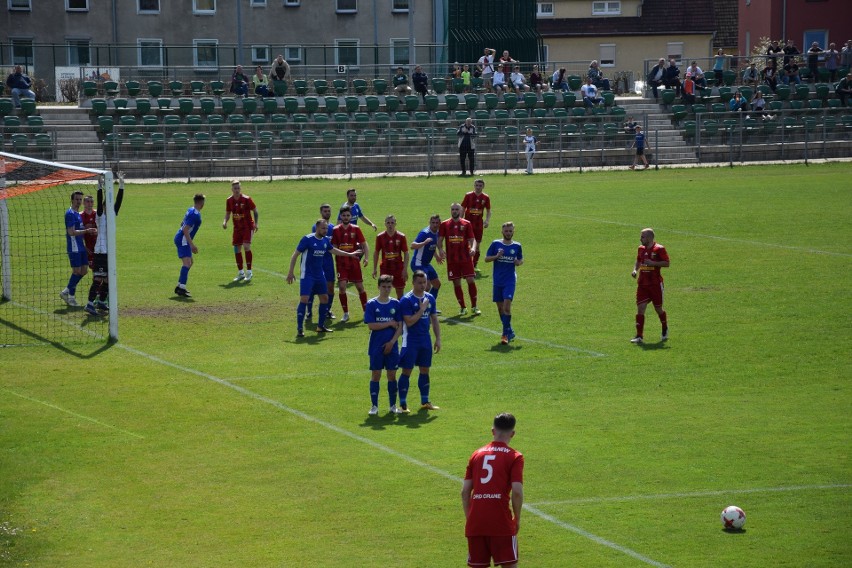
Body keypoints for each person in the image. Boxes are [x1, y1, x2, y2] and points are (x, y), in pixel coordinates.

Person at [462, 412, 524, 568]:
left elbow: (464, 492)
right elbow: (517, 491)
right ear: (513, 434)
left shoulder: (476, 455)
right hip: (501, 522)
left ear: (492, 431)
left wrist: (470, 517)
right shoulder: (514, 456)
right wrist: (517, 518)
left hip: (476, 523)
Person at [286, 219, 363, 337]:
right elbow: (295, 255)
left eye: (326, 228)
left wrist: (350, 254)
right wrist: (290, 272)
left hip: (319, 275)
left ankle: (320, 326)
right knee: (304, 299)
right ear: (317, 228)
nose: (325, 230)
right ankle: (300, 328)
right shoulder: (307, 239)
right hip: (307, 275)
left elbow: (334, 251)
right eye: (323, 228)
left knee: (325, 299)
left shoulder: (325, 240)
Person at [398, 270, 441, 412]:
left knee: (425, 370)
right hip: (411, 340)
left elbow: (434, 319)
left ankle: (425, 401)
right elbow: (409, 322)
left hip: (425, 340)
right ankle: (403, 404)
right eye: (420, 283)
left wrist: (438, 339)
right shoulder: (406, 300)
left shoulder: (430, 298)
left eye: (425, 282)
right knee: (407, 371)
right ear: (413, 283)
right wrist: (422, 309)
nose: (423, 285)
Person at [84, 174, 125, 315]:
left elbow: (118, 202)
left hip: (109, 251)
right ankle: (89, 303)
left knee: (108, 278)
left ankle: (101, 301)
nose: (109, 207)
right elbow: (101, 200)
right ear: (102, 207)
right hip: (100, 251)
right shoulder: (100, 216)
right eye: (105, 205)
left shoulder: (112, 214)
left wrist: (121, 185)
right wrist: (100, 187)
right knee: (98, 278)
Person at [364, 274, 404, 416]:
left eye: (389, 287)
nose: (386, 290)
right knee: (376, 374)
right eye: (384, 287)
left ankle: (393, 405)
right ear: (378, 287)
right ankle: (374, 406)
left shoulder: (396, 304)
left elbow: (400, 327)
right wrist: (388, 323)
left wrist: (392, 343)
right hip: (376, 346)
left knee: (392, 375)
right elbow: (371, 325)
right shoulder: (371, 304)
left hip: (392, 346)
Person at [485, 222, 523, 345]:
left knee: (507, 307)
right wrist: (496, 256)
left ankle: (504, 334)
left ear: (513, 231)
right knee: (500, 308)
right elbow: (486, 259)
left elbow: (521, 259)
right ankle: (509, 329)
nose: (508, 233)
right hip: (498, 281)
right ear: (502, 232)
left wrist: (518, 262)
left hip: (510, 281)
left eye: (510, 231)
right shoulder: (496, 244)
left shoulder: (517, 246)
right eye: (506, 231)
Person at [438, 203, 479, 316]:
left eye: (457, 209)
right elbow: (440, 240)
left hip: (466, 258)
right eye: (453, 209)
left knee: (470, 280)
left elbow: (472, 239)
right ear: (450, 211)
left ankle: (474, 306)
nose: (455, 211)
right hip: (452, 259)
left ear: (460, 211)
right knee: (456, 283)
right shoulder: (444, 224)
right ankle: (463, 307)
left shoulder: (466, 224)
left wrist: (474, 248)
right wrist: (441, 250)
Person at [331, 205, 371, 323]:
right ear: (340, 216)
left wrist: (366, 258)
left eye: (348, 215)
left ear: (351, 216)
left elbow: (364, 244)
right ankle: (345, 313)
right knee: (342, 287)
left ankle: (366, 313)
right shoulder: (335, 230)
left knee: (360, 287)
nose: (346, 217)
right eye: (344, 215)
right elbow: (334, 247)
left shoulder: (356, 228)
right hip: (341, 263)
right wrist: (346, 254)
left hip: (354, 263)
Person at [630, 228, 670, 344]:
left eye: (642, 237)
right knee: (640, 309)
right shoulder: (640, 249)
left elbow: (667, 263)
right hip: (643, 284)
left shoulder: (659, 249)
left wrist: (653, 263)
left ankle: (664, 327)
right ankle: (639, 336)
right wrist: (635, 270)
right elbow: (638, 261)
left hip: (655, 284)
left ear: (649, 238)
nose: (640, 239)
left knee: (658, 309)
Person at [59, 191, 98, 307]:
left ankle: (66, 291)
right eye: (77, 199)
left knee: (84, 270)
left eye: (80, 199)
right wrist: (87, 231)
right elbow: (71, 232)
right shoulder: (70, 213)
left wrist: (84, 245)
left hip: (81, 246)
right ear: (72, 200)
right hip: (74, 247)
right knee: (76, 272)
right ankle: (71, 297)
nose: (79, 201)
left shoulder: (77, 214)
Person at [222, 180, 258, 282]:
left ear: (240, 189)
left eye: (238, 188)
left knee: (246, 246)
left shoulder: (247, 199)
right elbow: (228, 213)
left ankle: (249, 272)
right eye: (235, 188)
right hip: (237, 228)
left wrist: (256, 223)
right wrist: (225, 222)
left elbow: (255, 211)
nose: (237, 190)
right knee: (237, 249)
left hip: (247, 227)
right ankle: (241, 272)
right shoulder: (229, 200)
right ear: (232, 189)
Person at [307, 204, 337, 321]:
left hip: (328, 262)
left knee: (330, 287)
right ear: (321, 212)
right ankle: (309, 311)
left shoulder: (333, 228)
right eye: (325, 211)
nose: (327, 213)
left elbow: (333, 245)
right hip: (318, 262)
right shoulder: (316, 227)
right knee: (313, 287)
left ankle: (327, 310)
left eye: (329, 211)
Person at [173, 194, 205, 298]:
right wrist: (191, 245)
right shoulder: (194, 214)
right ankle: (181, 288)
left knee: (190, 262)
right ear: (201, 203)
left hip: (183, 239)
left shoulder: (190, 209)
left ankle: (179, 286)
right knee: (187, 263)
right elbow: (185, 229)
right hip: (183, 240)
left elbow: (182, 223)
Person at [410, 214, 444, 312]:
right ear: (429, 223)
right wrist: (424, 243)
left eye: (437, 223)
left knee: (437, 284)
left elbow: (432, 246)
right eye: (433, 223)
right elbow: (412, 245)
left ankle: (429, 306)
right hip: (418, 263)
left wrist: (437, 257)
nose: (435, 225)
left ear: (439, 223)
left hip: (426, 264)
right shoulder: (424, 233)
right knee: (426, 286)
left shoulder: (437, 233)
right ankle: (417, 307)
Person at [372, 214, 409, 300]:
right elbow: (376, 253)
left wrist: (405, 269)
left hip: (398, 268)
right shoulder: (380, 237)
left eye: (392, 222)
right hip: (385, 268)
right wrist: (374, 269)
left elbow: (406, 253)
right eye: (388, 223)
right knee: (384, 292)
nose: (390, 225)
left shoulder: (401, 236)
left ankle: (400, 312)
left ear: (395, 223)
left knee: (400, 293)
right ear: (385, 224)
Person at [461, 178, 492, 272]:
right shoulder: (468, 195)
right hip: (467, 225)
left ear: (483, 186)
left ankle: (474, 265)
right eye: (476, 185)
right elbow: (462, 208)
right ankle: (465, 264)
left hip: (478, 226)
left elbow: (489, 210)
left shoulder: (485, 197)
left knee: (477, 246)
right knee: (466, 245)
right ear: (474, 186)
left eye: (480, 186)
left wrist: (487, 220)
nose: (478, 187)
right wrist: (461, 221)